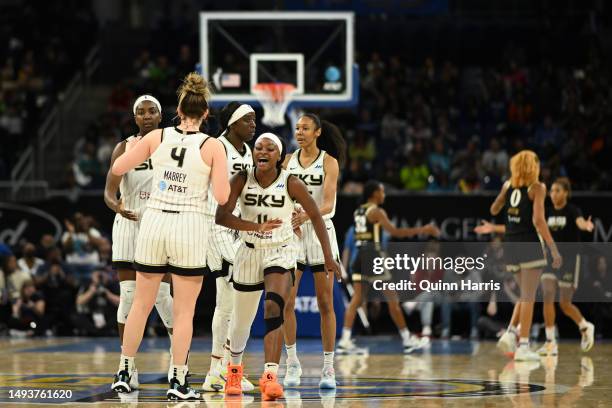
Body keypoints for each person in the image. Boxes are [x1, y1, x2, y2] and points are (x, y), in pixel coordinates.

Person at [110, 72, 230, 400]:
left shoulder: (156, 137)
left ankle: (124, 370)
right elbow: (221, 196)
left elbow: (119, 167)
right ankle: (178, 381)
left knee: (139, 305)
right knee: (183, 312)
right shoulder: (212, 145)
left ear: (177, 110)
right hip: (189, 226)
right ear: (205, 113)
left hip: (153, 223)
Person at [215, 132, 341, 401]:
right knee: (240, 322)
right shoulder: (240, 179)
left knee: (274, 306)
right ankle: (234, 371)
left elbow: (318, 217)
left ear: (279, 156)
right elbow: (221, 216)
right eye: (258, 147)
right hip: (249, 252)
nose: (262, 151)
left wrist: (328, 257)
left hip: (281, 250)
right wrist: (254, 227)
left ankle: (270, 376)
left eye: (270, 148)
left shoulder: (291, 182)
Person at [103, 94, 174, 370]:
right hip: (129, 225)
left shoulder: (172, 146)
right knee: (129, 296)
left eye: (151, 111)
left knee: (162, 297)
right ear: (135, 118)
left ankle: (177, 361)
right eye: (141, 112)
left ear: (160, 116)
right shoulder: (124, 148)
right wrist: (116, 206)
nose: (146, 116)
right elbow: (109, 192)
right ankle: (126, 365)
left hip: (160, 226)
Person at [475, 150, 561, 361]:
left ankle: (510, 333)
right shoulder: (538, 187)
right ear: (533, 167)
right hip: (529, 245)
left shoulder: (508, 185)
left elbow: (494, 209)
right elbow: (539, 221)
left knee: (525, 295)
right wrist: (553, 249)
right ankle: (523, 346)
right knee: (529, 297)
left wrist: (503, 197)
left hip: (510, 246)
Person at [282, 114, 346, 389]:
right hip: (294, 232)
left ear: (318, 132)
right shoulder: (286, 161)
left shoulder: (329, 162)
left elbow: (329, 205)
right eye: (297, 128)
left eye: (305, 128)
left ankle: (329, 368)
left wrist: (305, 216)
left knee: (325, 303)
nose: (299, 132)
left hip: (320, 231)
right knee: (286, 301)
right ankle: (292, 363)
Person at [338, 181, 439, 354]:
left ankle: (345, 340)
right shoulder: (376, 211)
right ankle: (407, 339)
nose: (384, 195)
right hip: (373, 257)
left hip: (360, 257)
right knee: (393, 300)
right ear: (374, 194)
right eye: (382, 192)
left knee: (356, 300)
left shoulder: (359, 210)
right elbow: (395, 232)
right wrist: (425, 229)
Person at [202, 101, 256, 393]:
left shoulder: (247, 152)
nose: (253, 125)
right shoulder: (216, 147)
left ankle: (217, 371)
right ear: (232, 123)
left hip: (234, 229)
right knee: (239, 293)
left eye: (254, 120)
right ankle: (223, 368)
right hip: (216, 227)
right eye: (247, 120)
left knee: (227, 302)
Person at [538, 177, 595, 355]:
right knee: (547, 294)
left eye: (557, 191)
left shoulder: (572, 210)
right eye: (552, 191)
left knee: (564, 304)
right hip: (551, 260)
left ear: (566, 193)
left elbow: (579, 222)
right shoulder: (546, 212)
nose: (553, 194)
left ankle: (585, 326)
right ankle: (550, 341)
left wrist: (585, 225)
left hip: (569, 260)